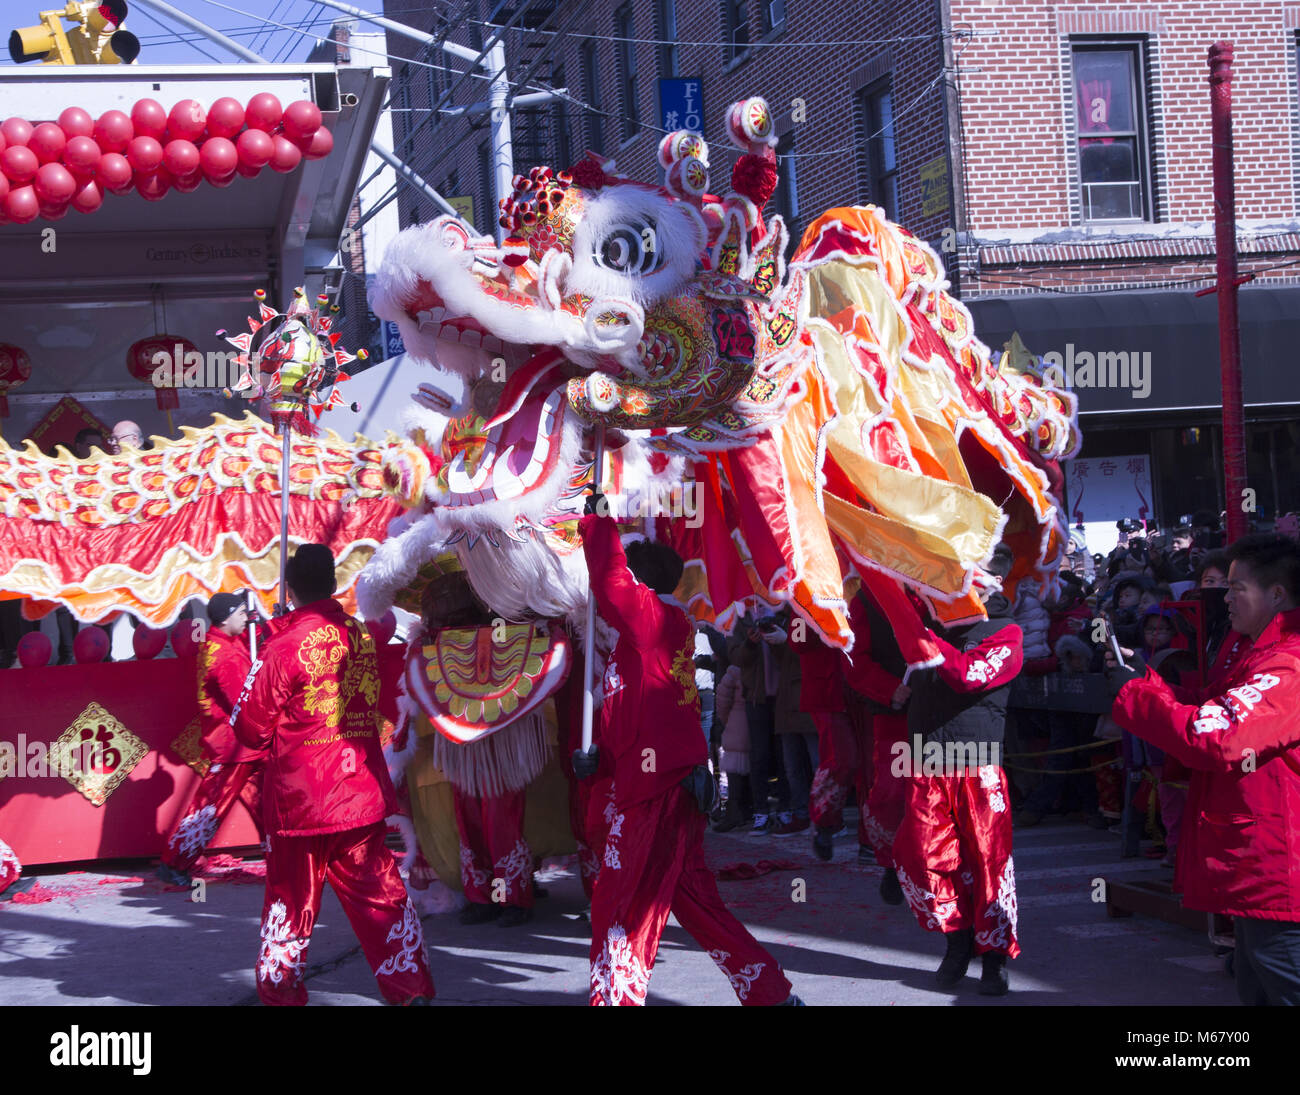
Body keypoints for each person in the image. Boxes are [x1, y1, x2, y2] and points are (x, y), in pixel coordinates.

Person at [574, 499, 800, 1006]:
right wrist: (599, 764)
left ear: (641, 583)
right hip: (655, 780)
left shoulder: (653, 620)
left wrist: (600, 524)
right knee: (695, 902)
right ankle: (770, 993)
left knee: (621, 899)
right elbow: (631, 721)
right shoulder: (642, 641)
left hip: (658, 789)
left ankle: (613, 999)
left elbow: (610, 583)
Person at [231, 544, 435, 1006]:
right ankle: (411, 986)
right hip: (357, 789)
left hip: (300, 802)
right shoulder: (358, 636)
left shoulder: (281, 646)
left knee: (290, 900)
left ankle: (281, 992)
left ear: (290, 587)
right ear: (332, 584)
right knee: (380, 895)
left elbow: (249, 725)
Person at [1109, 534, 1300, 1005]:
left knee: (1279, 974)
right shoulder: (1257, 653)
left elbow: (1214, 736)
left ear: (1277, 595)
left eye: (1236, 588)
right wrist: (1147, 684)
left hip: (1281, 868)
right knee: (1257, 981)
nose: (1224, 597)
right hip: (1264, 864)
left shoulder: (1288, 664)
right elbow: (1213, 713)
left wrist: (1139, 697)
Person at [892, 556, 1024, 996]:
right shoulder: (931, 626)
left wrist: (924, 640)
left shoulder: (1006, 633)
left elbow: (970, 676)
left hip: (977, 760)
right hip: (926, 759)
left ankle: (995, 956)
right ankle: (957, 938)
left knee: (989, 860)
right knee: (921, 853)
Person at [157, 592, 265, 885]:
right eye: (241, 613)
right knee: (209, 808)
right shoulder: (226, 655)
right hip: (234, 746)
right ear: (226, 617)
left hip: (242, 745)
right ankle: (175, 863)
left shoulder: (221, 644)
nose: (246, 617)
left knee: (268, 805)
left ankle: (284, 860)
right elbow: (244, 701)